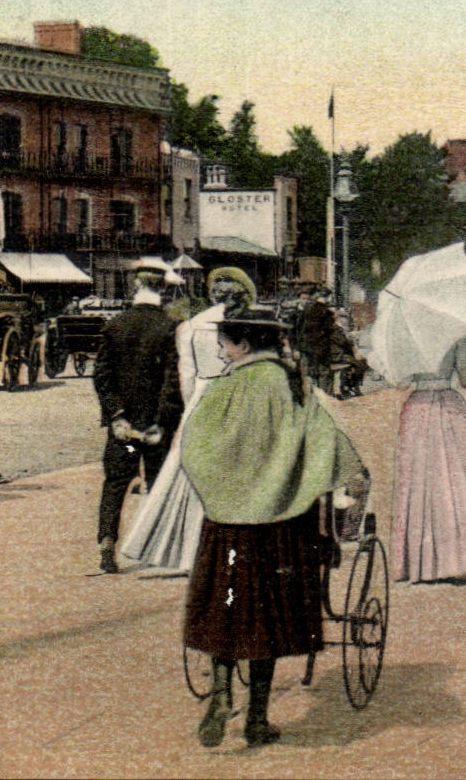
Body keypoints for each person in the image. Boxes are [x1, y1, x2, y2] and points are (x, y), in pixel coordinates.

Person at [181, 308, 367, 747]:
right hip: (281, 525)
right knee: (266, 615)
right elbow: (330, 446)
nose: (222, 352)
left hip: (229, 527)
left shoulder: (222, 388)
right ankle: (257, 719)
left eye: (225, 343)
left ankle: (223, 691)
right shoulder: (295, 386)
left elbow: (194, 450)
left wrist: (226, 489)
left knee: (227, 604)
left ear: (243, 345)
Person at [121, 267, 256, 573]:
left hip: (203, 398)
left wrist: (193, 407)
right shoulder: (251, 323)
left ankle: (191, 551)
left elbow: (187, 377)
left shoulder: (192, 326)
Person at [93, 260, 184, 574]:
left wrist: (116, 416)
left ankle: (107, 541)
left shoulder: (115, 324)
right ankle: (154, 548)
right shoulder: (169, 326)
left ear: (135, 286)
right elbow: (173, 381)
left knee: (115, 484)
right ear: (163, 289)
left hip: (124, 428)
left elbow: (102, 376)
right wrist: (161, 420)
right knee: (158, 483)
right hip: (155, 427)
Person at [392, 332, 466, 582]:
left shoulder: (407, 334)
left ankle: (419, 563)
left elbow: (401, 382)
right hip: (447, 405)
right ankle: (458, 559)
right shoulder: (459, 333)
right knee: (456, 478)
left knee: (419, 481)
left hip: (416, 407)